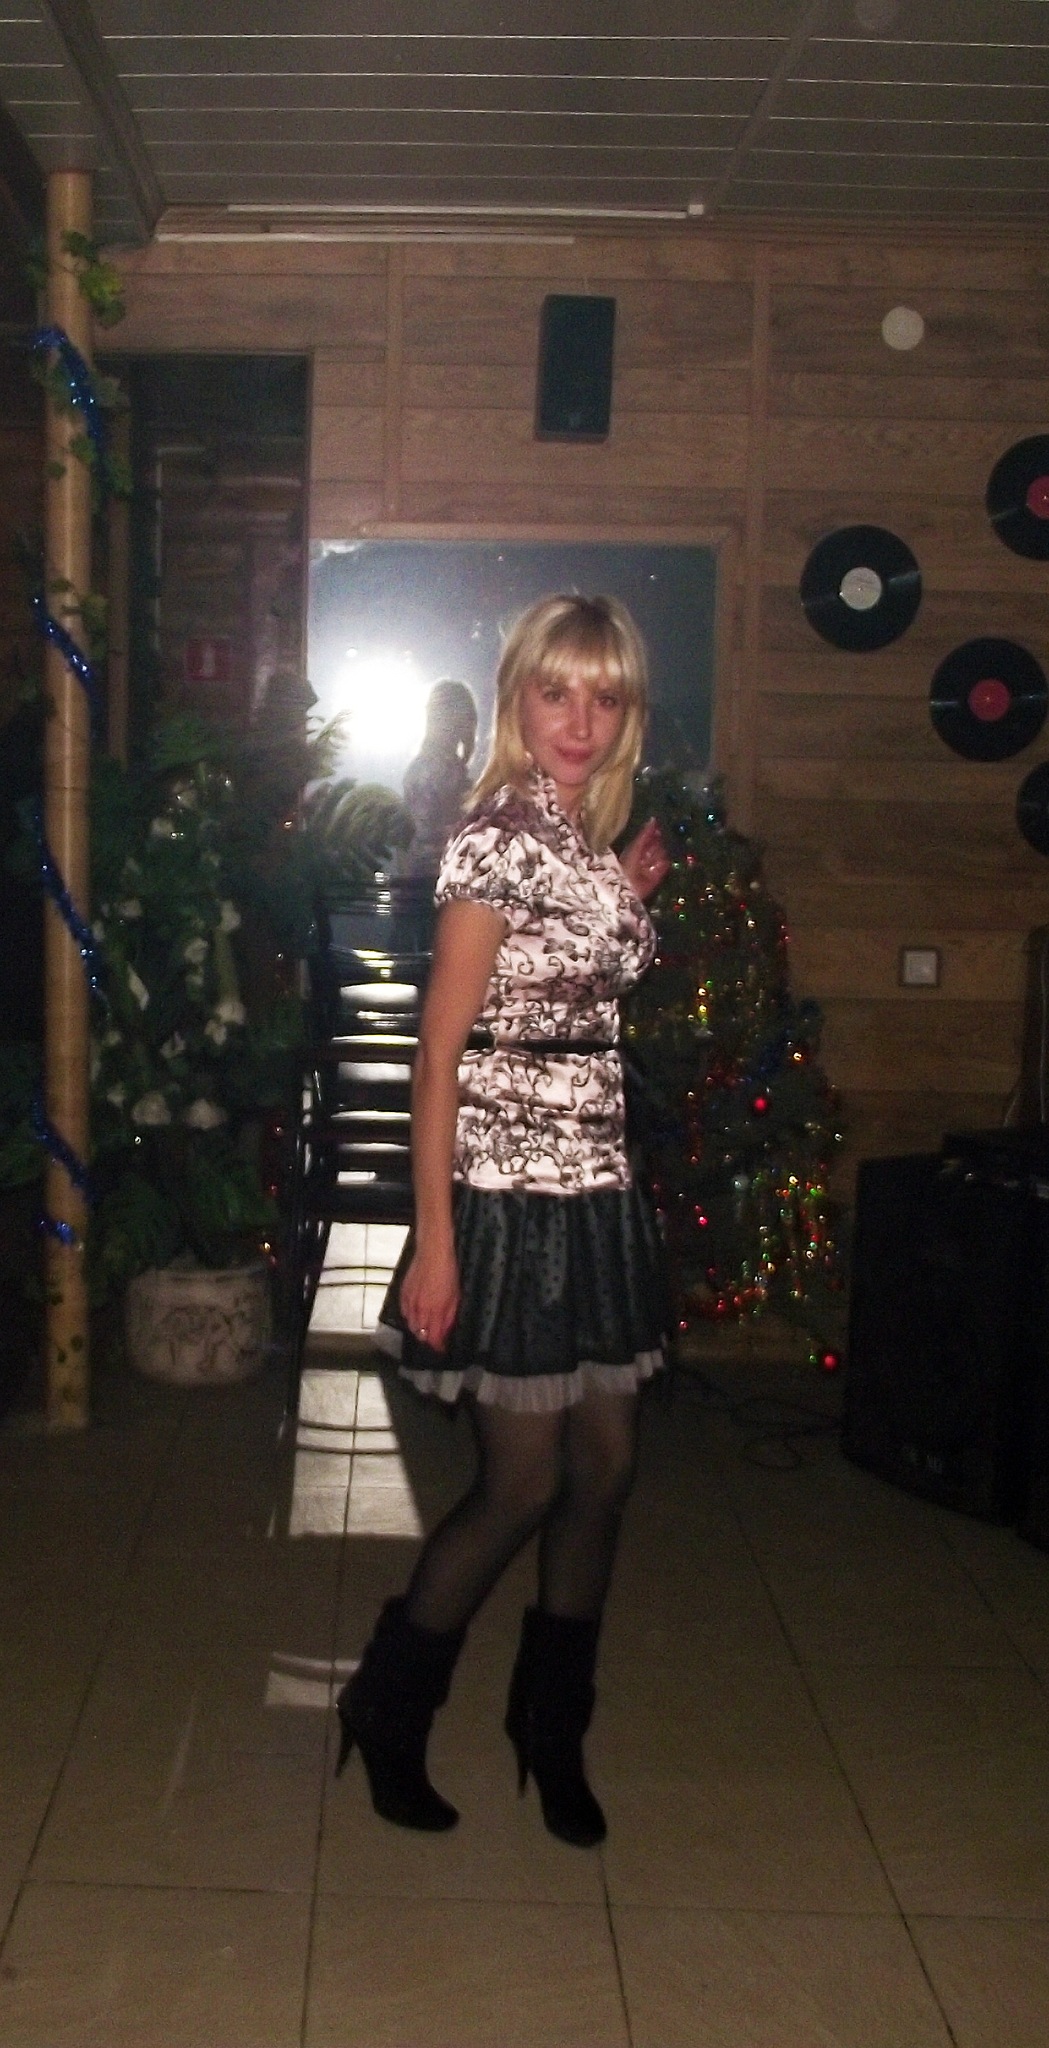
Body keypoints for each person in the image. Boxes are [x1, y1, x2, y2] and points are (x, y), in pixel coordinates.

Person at [336, 594, 671, 1848]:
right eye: (556, 691)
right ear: (516, 696)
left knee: (607, 1467)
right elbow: (437, 1054)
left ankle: (549, 1727)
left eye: (605, 696)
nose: (579, 719)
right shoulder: (495, 837)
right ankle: (387, 1702)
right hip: (505, 1194)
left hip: (595, 1186)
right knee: (522, 1480)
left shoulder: (580, 834)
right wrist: (434, 1241)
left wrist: (622, 893)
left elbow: (572, 983)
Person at [395, 677, 479, 877]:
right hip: (433, 877)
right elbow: (422, 835)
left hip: (442, 875)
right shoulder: (433, 769)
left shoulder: (447, 767)